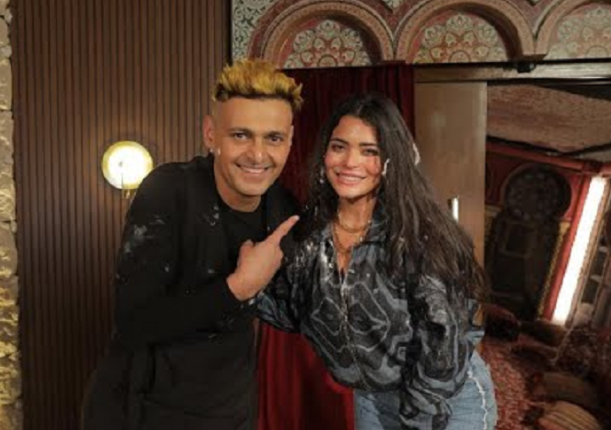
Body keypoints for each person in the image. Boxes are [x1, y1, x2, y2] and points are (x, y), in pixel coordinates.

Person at [254, 93, 498, 430]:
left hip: (447, 400)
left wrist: (418, 419)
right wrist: (244, 284)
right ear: (325, 153)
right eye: (339, 146)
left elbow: (443, 342)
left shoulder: (418, 236)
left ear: (390, 160)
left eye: (369, 151)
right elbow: (293, 311)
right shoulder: (309, 235)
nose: (349, 162)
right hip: (371, 398)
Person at [81, 59, 302, 430]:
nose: (257, 154)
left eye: (273, 138)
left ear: (290, 140)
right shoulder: (168, 191)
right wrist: (238, 287)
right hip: (139, 411)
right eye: (241, 135)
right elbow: (133, 321)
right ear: (210, 134)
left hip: (229, 412)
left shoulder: (284, 210)